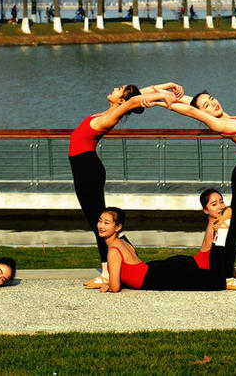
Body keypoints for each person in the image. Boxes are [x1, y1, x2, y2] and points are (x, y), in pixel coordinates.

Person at [69, 82, 185, 289]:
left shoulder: (110, 117)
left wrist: (160, 100)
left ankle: (107, 273)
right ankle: (130, 257)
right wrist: (165, 86)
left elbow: (133, 100)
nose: (114, 89)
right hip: (85, 169)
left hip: (87, 170)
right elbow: (138, 96)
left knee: (99, 225)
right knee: (101, 223)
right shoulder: (108, 112)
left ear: (121, 100)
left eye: (118, 90)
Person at [155, 87, 236, 291]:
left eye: (212, 99)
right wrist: (162, 101)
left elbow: (194, 104)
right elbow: (192, 111)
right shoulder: (220, 123)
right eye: (207, 106)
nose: (213, 104)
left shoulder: (231, 117)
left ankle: (228, 268)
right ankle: (225, 275)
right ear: (204, 114)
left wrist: (175, 95)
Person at [98, 206, 235, 292]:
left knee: (217, 282)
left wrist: (109, 285)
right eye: (100, 221)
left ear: (118, 227)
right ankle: (218, 235)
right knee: (208, 275)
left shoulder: (113, 251)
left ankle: (221, 235)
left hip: (157, 276)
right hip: (156, 269)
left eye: (106, 222)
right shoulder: (123, 242)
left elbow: (115, 287)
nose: (101, 226)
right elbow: (128, 271)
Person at [194, 188, 236, 280]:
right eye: (214, 204)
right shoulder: (217, 225)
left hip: (202, 263)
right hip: (202, 265)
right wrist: (234, 273)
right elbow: (224, 253)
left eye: (221, 202)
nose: (220, 207)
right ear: (205, 210)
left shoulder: (218, 222)